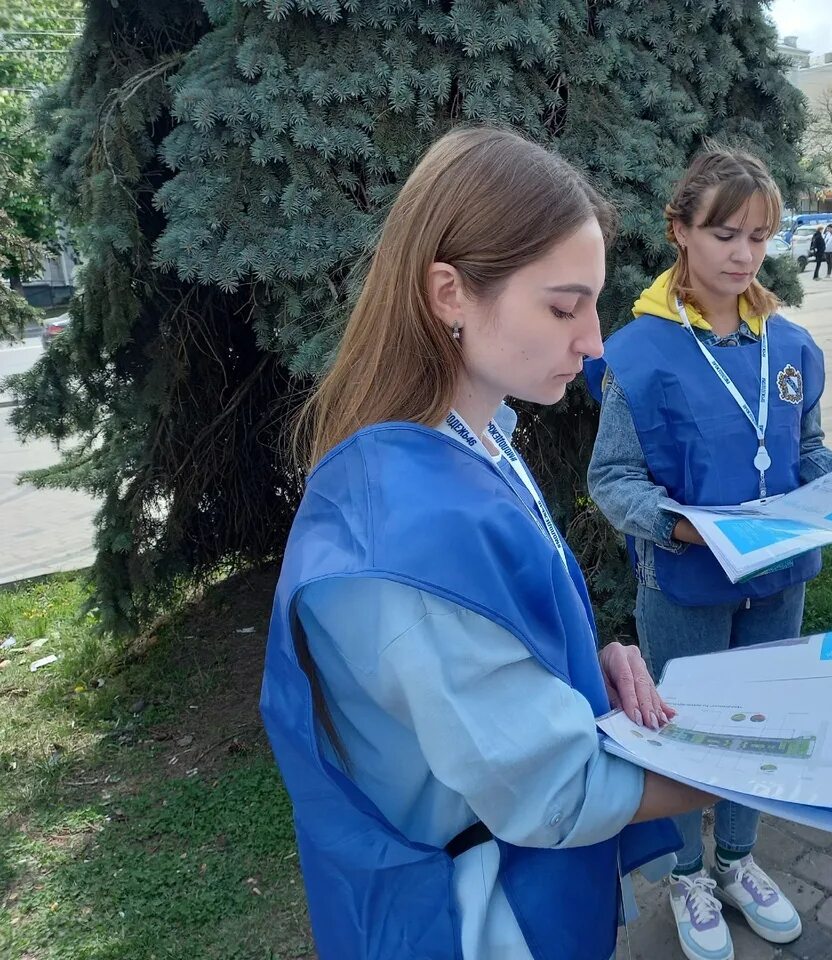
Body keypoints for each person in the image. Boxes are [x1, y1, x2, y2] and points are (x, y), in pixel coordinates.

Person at [261, 126, 717, 960]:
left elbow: (497, 644)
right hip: (478, 921)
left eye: (593, 303)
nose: (593, 342)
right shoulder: (408, 530)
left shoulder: (471, 439)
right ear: (449, 294)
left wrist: (590, 665)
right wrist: (758, 773)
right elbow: (554, 792)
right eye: (562, 305)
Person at [585, 145, 832, 960]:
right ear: (680, 231)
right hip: (687, 585)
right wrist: (683, 527)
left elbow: (810, 452)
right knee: (688, 731)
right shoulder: (637, 353)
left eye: (759, 237)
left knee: (766, 727)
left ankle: (736, 860)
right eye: (725, 232)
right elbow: (613, 479)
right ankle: (686, 872)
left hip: (780, 577)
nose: (743, 254)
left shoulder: (789, 343)